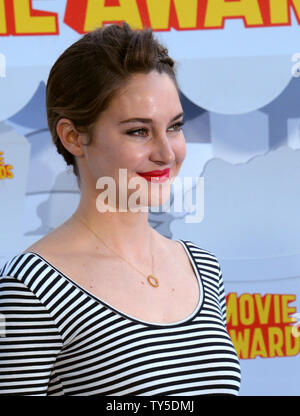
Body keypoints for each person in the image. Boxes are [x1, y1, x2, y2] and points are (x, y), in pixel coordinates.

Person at [0, 23, 241, 396]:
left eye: (174, 127)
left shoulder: (204, 269)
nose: (166, 153)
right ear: (73, 136)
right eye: (138, 131)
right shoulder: (31, 288)